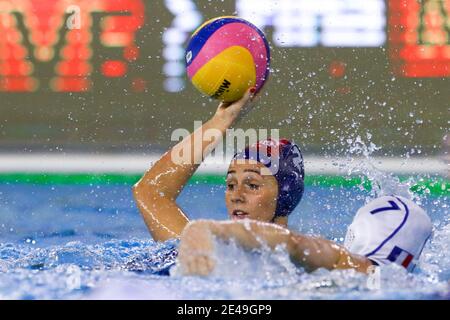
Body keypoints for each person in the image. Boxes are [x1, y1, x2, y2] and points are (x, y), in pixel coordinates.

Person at [133, 88, 432, 276]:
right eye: (230, 184)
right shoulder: (200, 247)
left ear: (284, 197)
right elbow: (150, 192)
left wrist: (203, 229)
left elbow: (292, 243)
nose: (236, 196)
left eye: (252, 185)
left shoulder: (309, 261)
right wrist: (220, 122)